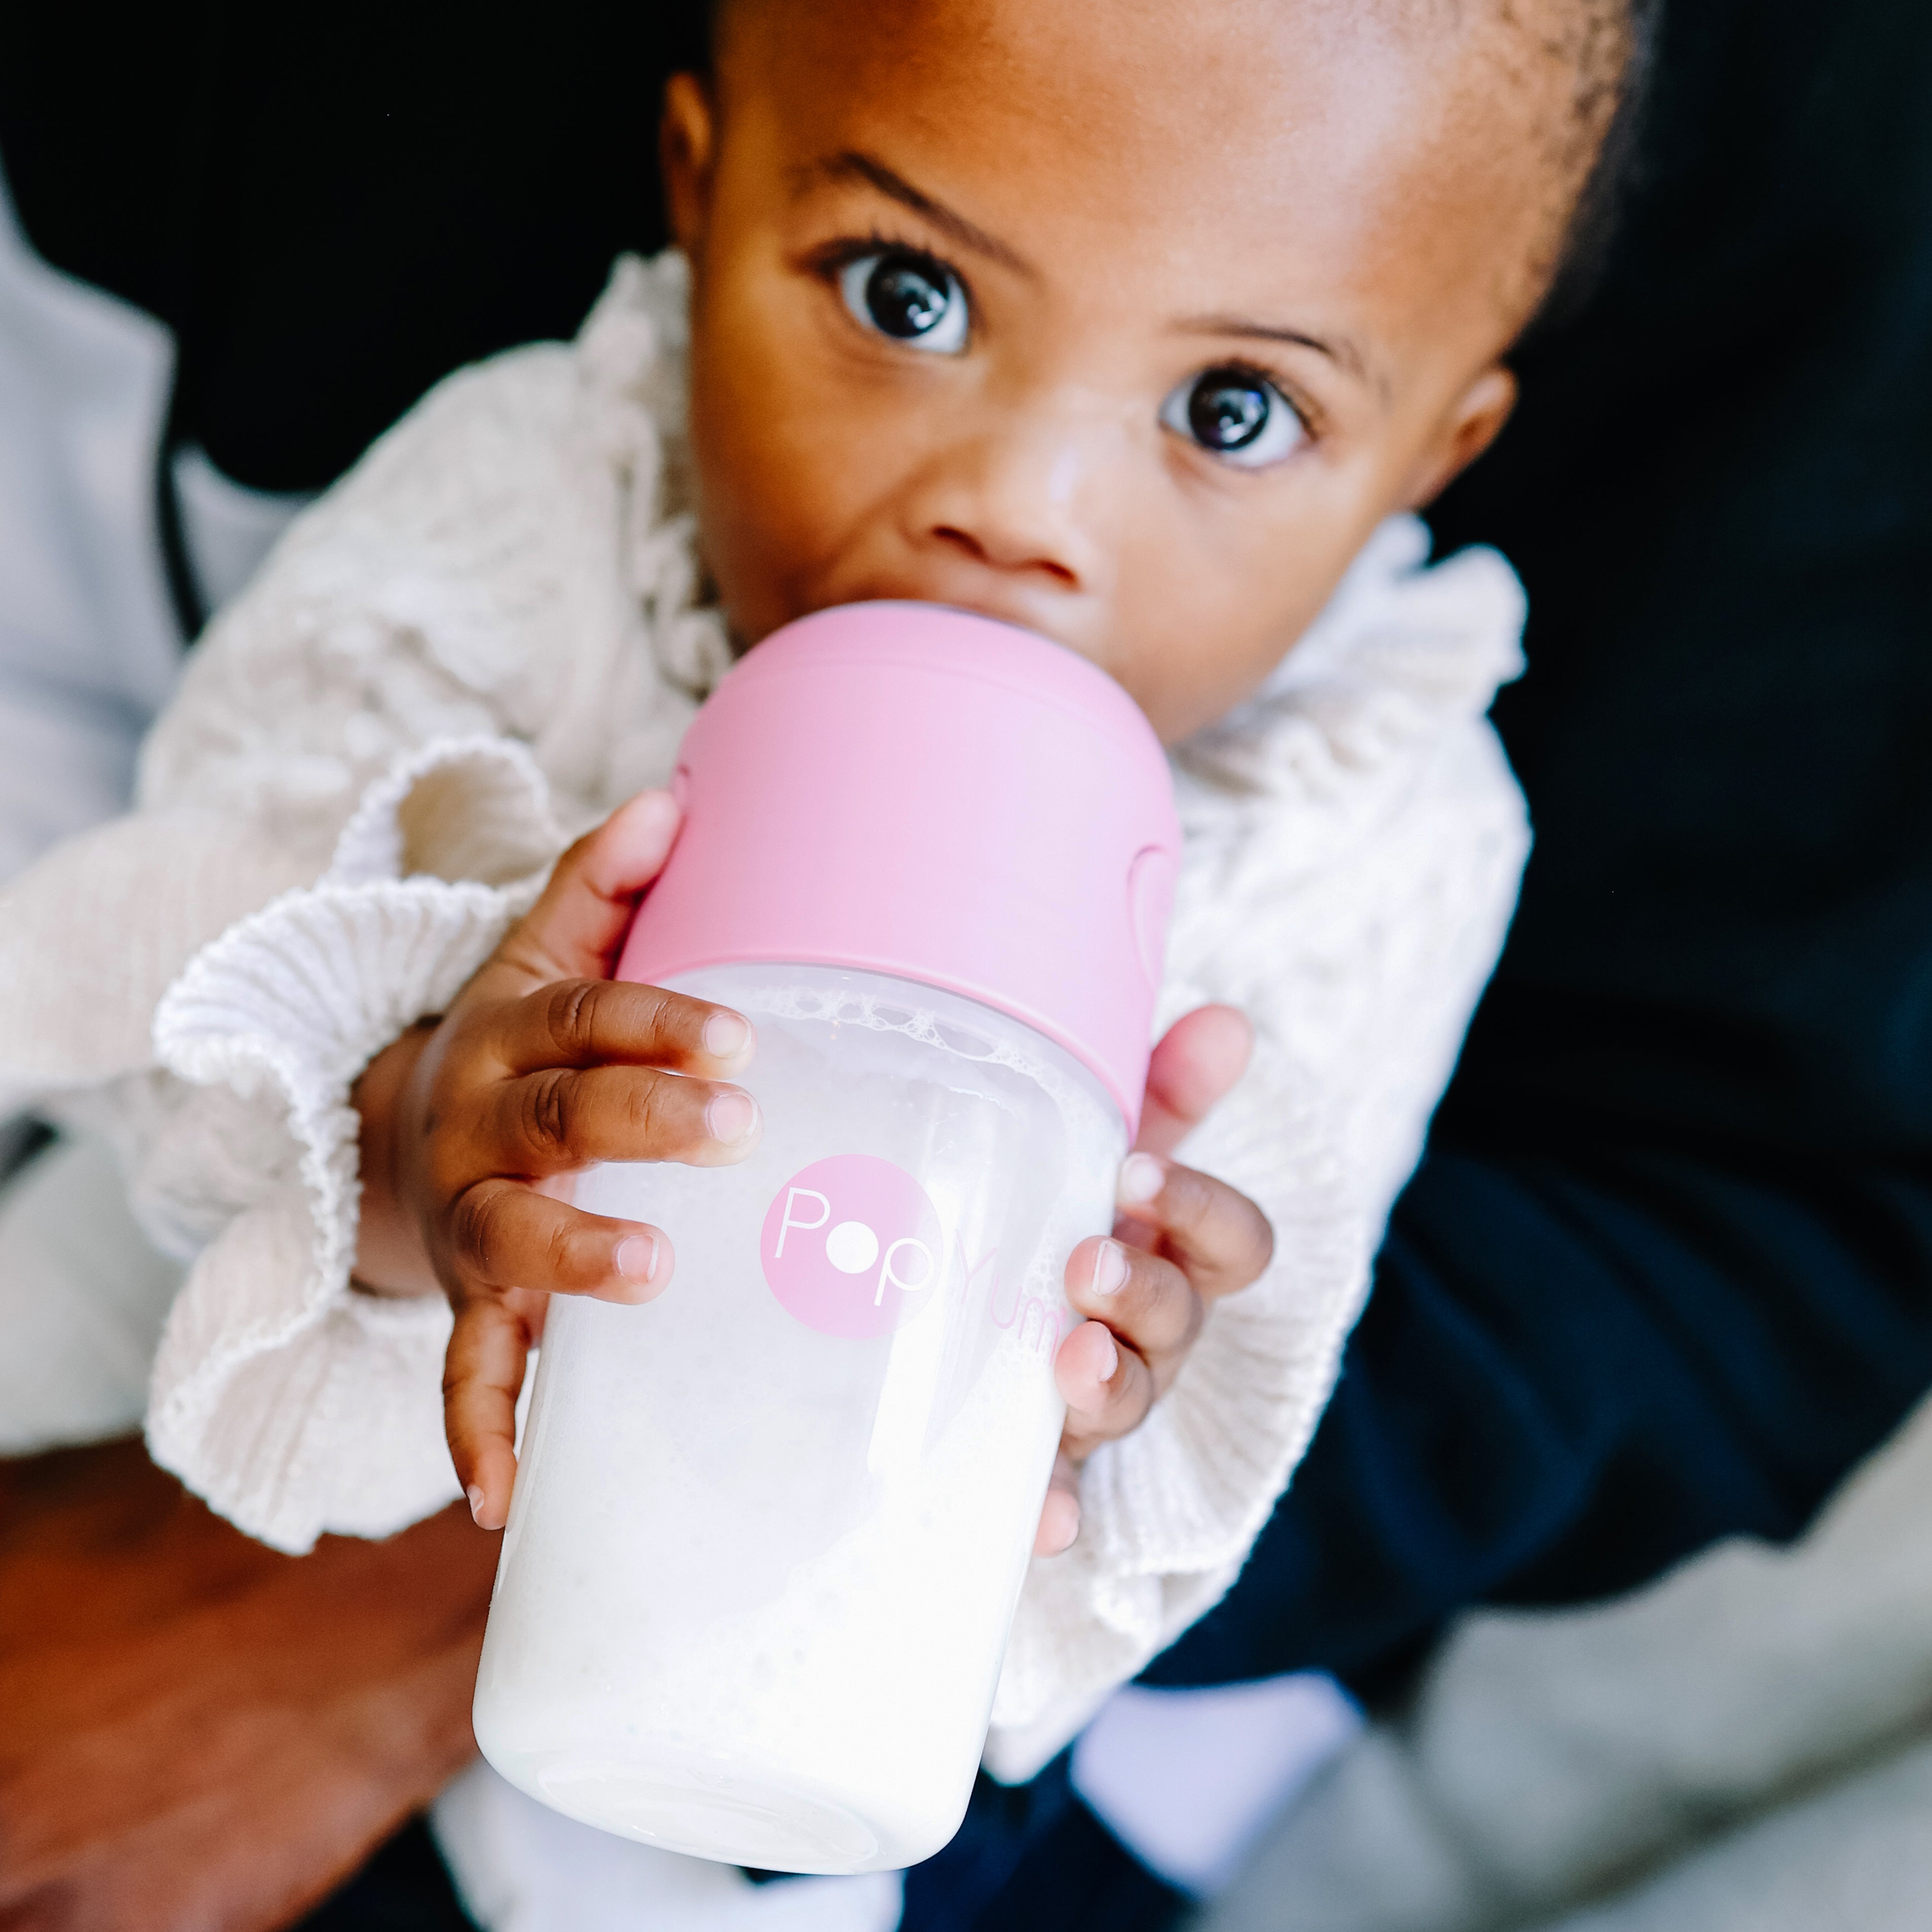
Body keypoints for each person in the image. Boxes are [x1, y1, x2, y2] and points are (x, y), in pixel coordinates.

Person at [0, 0, 1651, 1923]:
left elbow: (1229, 1398)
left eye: (1229, 411)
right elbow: (177, 947)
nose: (1017, 512)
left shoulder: (1368, 820)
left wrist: (1121, 1379)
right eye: (906, 296)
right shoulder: (551, 500)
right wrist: (407, 1127)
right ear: (703, 198)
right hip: (122, 1443)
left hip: (755, 1733)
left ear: (1430, 451)